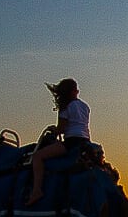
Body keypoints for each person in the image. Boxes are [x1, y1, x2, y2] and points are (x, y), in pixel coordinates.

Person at [26, 78, 90, 206]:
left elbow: (61, 129)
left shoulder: (66, 107)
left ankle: (36, 190)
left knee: (37, 156)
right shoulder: (85, 106)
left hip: (72, 141)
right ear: (75, 91)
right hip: (86, 141)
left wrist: (53, 130)